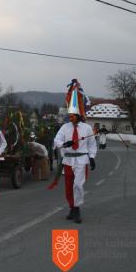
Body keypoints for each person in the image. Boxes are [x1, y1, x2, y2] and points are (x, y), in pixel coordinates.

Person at [54, 79, 97, 223]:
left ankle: (77, 209)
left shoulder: (87, 128)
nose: (70, 118)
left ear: (78, 115)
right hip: (68, 160)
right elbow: (57, 140)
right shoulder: (65, 127)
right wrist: (63, 143)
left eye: (73, 115)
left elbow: (92, 145)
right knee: (68, 187)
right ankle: (71, 207)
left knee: (78, 185)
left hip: (81, 160)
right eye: (70, 115)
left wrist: (91, 157)